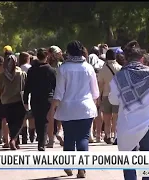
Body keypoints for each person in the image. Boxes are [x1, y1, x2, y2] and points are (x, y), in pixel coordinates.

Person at [109, 40, 149, 180]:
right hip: (148, 124)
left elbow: (113, 100)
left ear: (126, 59)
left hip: (127, 124)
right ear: (142, 59)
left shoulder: (118, 77)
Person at [47, 40, 99, 178]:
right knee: (83, 137)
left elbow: (59, 93)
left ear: (68, 52)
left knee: (69, 138)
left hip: (68, 108)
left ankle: (68, 166)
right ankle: (81, 168)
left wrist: (52, 108)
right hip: (86, 108)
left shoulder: (63, 69)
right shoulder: (88, 67)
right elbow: (95, 93)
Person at [24, 48, 56, 151]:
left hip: (35, 97)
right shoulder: (51, 70)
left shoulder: (32, 70)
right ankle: (42, 141)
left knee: (38, 119)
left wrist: (25, 100)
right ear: (46, 57)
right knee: (45, 119)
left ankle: (40, 140)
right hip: (47, 98)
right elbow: (55, 85)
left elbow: (27, 86)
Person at [0, 54, 27, 150]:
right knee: (19, 122)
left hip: (6, 102)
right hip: (18, 100)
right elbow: (25, 86)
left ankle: (15, 141)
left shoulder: (2, 76)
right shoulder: (21, 74)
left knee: (10, 122)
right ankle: (14, 140)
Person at [98, 49, 122, 144]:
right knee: (116, 117)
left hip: (106, 95)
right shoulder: (120, 68)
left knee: (107, 118)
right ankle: (116, 136)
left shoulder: (103, 70)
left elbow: (100, 85)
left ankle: (108, 136)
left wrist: (99, 97)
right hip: (117, 96)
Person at [18, 52, 34, 144]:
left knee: (23, 116)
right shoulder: (29, 68)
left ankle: (24, 136)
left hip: (20, 93)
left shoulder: (19, 68)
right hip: (29, 93)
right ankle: (32, 135)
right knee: (31, 116)